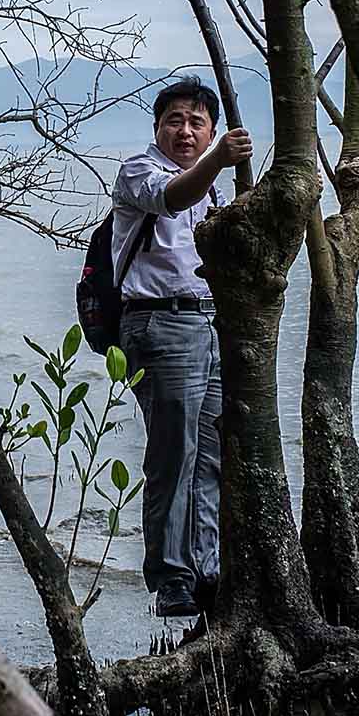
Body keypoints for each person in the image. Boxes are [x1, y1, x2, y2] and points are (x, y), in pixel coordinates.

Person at [109, 77, 251, 620]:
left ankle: (206, 568)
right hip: (159, 326)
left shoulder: (212, 186)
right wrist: (218, 159)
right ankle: (171, 579)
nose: (186, 131)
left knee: (212, 456)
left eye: (198, 123)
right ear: (157, 127)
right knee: (176, 453)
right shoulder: (139, 172)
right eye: (176, 121)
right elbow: (172, 197)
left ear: (211, 128)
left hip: (212, 324)